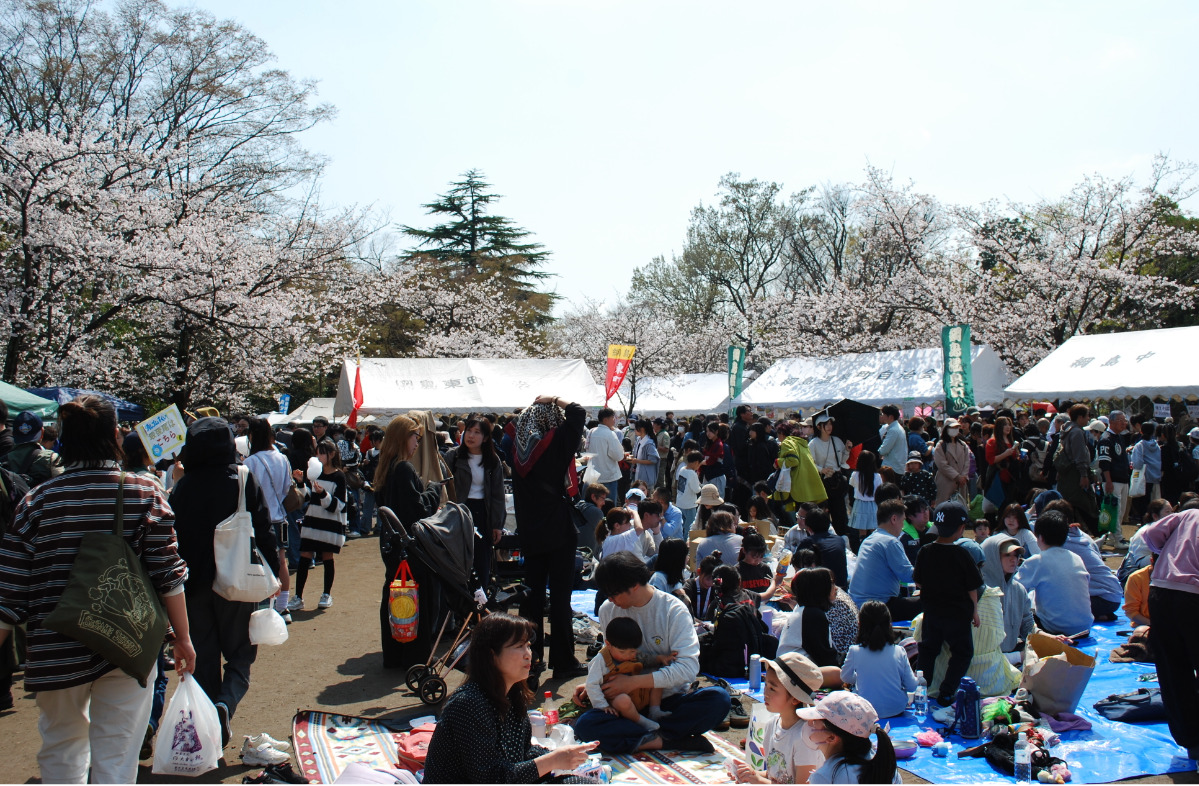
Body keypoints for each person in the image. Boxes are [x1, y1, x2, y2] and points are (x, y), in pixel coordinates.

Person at [0, 395, 194, 785]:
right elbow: (168, 575)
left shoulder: (36, 501)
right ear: (116, 438)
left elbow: (8, 594)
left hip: (55, 647)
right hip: (128, 641)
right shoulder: (145, 493)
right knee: (116, 757)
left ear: (64, 439)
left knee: (60, 749)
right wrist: (183, 638)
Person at [170, 416, 280, 748]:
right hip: (238, 583)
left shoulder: (183, 486)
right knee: (242, 654)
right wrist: (272, 574)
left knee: (202, 660)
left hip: (193, 587)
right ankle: (224, 705)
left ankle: (209, 734)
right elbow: (264, 530)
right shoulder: (243, 479)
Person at [573, 552, 731, 753]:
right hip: (625, 702)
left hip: (666, 701)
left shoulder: (673, 610)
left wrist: (634, 682)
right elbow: (610, 655)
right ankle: (668, 739)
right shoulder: (608, 610)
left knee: (718, 699)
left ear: (634, 585)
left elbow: (688, 669)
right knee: (586, 726)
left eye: (613, 594)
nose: (611, 600)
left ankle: (641, 736)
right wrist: (594, 682)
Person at [423, 614, 599, 783]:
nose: (528, 654)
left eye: (528, 645)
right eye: (519, 646)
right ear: (492, 655)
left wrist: (561, 755)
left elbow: (523, 754)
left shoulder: (513, 697)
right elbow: (490, 779)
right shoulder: (468, 704)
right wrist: (553, 760)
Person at [507, 396, 589, 678]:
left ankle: (530, 661)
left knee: (531, 597)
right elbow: (578, 412)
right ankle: (563, 660)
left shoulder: (517, 453)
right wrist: (554, 400)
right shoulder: (556, 444)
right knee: (561, 598)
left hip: (530, 531)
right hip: (559, 530)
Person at [375, 414, 443, 669]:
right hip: (409, 548)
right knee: (418, 599)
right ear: (405, 437)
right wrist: (434, 489)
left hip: (391, 547)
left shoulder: (385, 467)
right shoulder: (403, 468)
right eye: (416, 436)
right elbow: (418, 509)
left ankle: (394, 655)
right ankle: (416, 657)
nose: (417, 442)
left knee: (395, 598)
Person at [1141, 507, 1199, 759]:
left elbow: (1150, 534)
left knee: (1173, 669)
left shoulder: (1190, 515)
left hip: (1162, 591)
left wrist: (1166, 553)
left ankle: (1192, 742)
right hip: (1191, 595)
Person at [913, 501, 983, 704]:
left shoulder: (925, 551)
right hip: (958, 615)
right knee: (962, 653)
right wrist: (975, 612)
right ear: (961, 529)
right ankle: (947, 691)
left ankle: (922, 690)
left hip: (932, 612)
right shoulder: (962, 554)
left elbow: (918, 581)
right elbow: (972, 587)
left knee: (928, 650)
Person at [732, 652, 825, 785]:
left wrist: (760, 781)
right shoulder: (772, 724)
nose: (765, 692)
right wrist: (749, 774)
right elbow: (774, 776)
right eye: (766, 685)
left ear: (795, 698)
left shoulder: (806, 738)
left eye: (772, 689)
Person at [443, 416, 506, 594]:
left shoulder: (493, 461)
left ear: (486, 437)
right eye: (468, 431)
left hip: (481, 513)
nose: (470, 436)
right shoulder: (453, 456)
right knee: (457, 561)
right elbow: (443, 487)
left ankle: (479, 607)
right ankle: (458, 610)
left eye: (477, 432)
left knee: (481, 562)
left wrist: (497, 525)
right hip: (457, 513)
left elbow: (497, 496)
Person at [243, 417, 294, 621]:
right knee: (281, 561)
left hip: (258, 519)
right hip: (279, 515)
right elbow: (285, 488)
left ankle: (266, 605)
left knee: (259, 563)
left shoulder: (250, 462)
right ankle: (283, 606)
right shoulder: (282, 458)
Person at [1013, 510, 1093, 636]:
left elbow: (1014, 589)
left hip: (1053, 627)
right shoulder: (1076, 558)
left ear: (1040, 537)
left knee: (1027, 603)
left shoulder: (1037, 560)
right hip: (1084, 627)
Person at [585, 617, 670, 732]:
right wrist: (603, 705)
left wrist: (660, 658)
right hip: (616, 699)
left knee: (656, 677)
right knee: (623, 700)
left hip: (637, 694)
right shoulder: (601, 660)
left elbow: (647, 659)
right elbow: (591, 684)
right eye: (622, 652)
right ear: (608, 644)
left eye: (632, 651)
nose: (628, 656)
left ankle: (654, 710)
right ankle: (640, 721)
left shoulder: (634, 654)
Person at [291, 437, 346, 611]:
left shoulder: (339, 476)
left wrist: (323, 494)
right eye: (318, 453)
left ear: (331, 454)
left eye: (323, 453)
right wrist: (301, 483)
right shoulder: (316, 473)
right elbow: (307, 497)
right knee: (305, 556)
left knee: (327, 556)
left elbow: (340, 505)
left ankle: (326, 594)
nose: (319, 456)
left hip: (329, 523)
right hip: (312, 520)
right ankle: (298, 596)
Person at [800, 691, 900, 784]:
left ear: (831, 737)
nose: (809, 723)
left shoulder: (824, 777)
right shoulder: (886, 768)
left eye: (814, 721)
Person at [840, 601, 917, 718]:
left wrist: (861, 678)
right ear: (889, 625)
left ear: (860, 625)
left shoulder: (854, 651)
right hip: (896, 708)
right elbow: (912, 686)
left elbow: (845, 677)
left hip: (866, 710)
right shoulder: (899, 650)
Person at [848, 499, 918, 621]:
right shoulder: (890, 541)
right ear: (894, 519)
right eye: (903, 521)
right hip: (878, 608)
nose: (903, 527)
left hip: (858, 605)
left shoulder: (869, 540)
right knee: (931, 601)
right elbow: (909, 575)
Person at [778, 568, 843, 674]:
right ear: (820, 588)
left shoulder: (805, 610)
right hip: (793, 672)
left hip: (794, 668)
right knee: (836, 673)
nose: (836, 588)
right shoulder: (813, 614)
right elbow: (823, 656)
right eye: (831, 583)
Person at [1062, 514, 1124, 623]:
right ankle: (1101, 614)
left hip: (1103, 598)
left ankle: (1097, 614)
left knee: (1058, 605)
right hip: (1113, 596)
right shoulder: (1083, 536)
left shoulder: (1062, 544)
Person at [980, 535, 1035, 655]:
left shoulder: (1019, 589)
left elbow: (1028, 624)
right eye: (1007, 555)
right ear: (992, 557)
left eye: (1016, 555)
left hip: (1011, 656)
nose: (1013, 559)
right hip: (984, 664)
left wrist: (1047, 638)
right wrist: (1017, 657)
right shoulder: (980, 591)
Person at [1058, 404, 1099, 533]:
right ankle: (1098, 534)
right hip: (1076, 475)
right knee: (1088, 506)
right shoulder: (1076, 432)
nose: (1088, 419)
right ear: (1080, 417)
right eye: (1087, 416)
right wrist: (1084, 475)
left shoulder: (1066, 429)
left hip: (1067, 474)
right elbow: (1079, 455)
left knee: (1071, 507)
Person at [1, 411, 62, 487]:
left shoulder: (3, 461)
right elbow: (63, 488)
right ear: (42, 433)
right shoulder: (51, 458)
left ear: (13, 434)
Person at [793, 507, 849, 589]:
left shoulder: (808, 542)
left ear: (808, 528)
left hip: (822, 590)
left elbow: (797, 567)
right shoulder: (839, 540)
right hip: (842, 587)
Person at [1098, 411, 1134, 533]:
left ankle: (1115, 535)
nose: (1124, 424)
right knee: (1115, 510)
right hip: (1113, 479)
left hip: (1122, 478)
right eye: (1121, 421)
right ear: (1111, 422)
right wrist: (1108, 480)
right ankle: (1116, 536)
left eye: (1125, 421)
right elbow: (1104, 463)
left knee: (1121, 511)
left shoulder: (1119, 437)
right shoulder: (1106, 438)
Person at [586, 408, 625, 502]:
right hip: (608, 477)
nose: (615, 419)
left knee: (593, 505)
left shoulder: (591, 432)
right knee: (608, 507)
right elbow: (619, 456)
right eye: (613, 417)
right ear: (605, 419)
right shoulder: (610, 434)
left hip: (592, 476)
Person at [848, 450, 883, 550]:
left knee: (861, 531)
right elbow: (879, 489)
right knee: (873, 529)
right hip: (873, 504)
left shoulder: (855, 474)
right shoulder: (877, 476)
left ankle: (862, 548)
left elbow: (852, 486)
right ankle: (873, 548)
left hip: (859, 504)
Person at [984, 415, 1019, 510]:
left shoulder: (1011, 441)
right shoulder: (992, 441)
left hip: (1011, 477)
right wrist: (1005, 454)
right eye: (1005, 425)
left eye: (1009, 425)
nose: (1008, 427)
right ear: (999, 427)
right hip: (998, 477)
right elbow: (991, 460)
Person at [683, 552, 723, 621]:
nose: (710, 583)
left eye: (713, 580)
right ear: (699, 572)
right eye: (708, 578)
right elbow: (684, 612)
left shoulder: (716, 588)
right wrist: (701, 623)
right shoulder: (689, 587)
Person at [877, 405, 907, 472]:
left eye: (883, 414)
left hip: (892, 468)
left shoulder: (893, 430)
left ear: (890, 417)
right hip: (897, 466)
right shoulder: (898, 428)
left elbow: (883, 450)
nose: (882, 416)